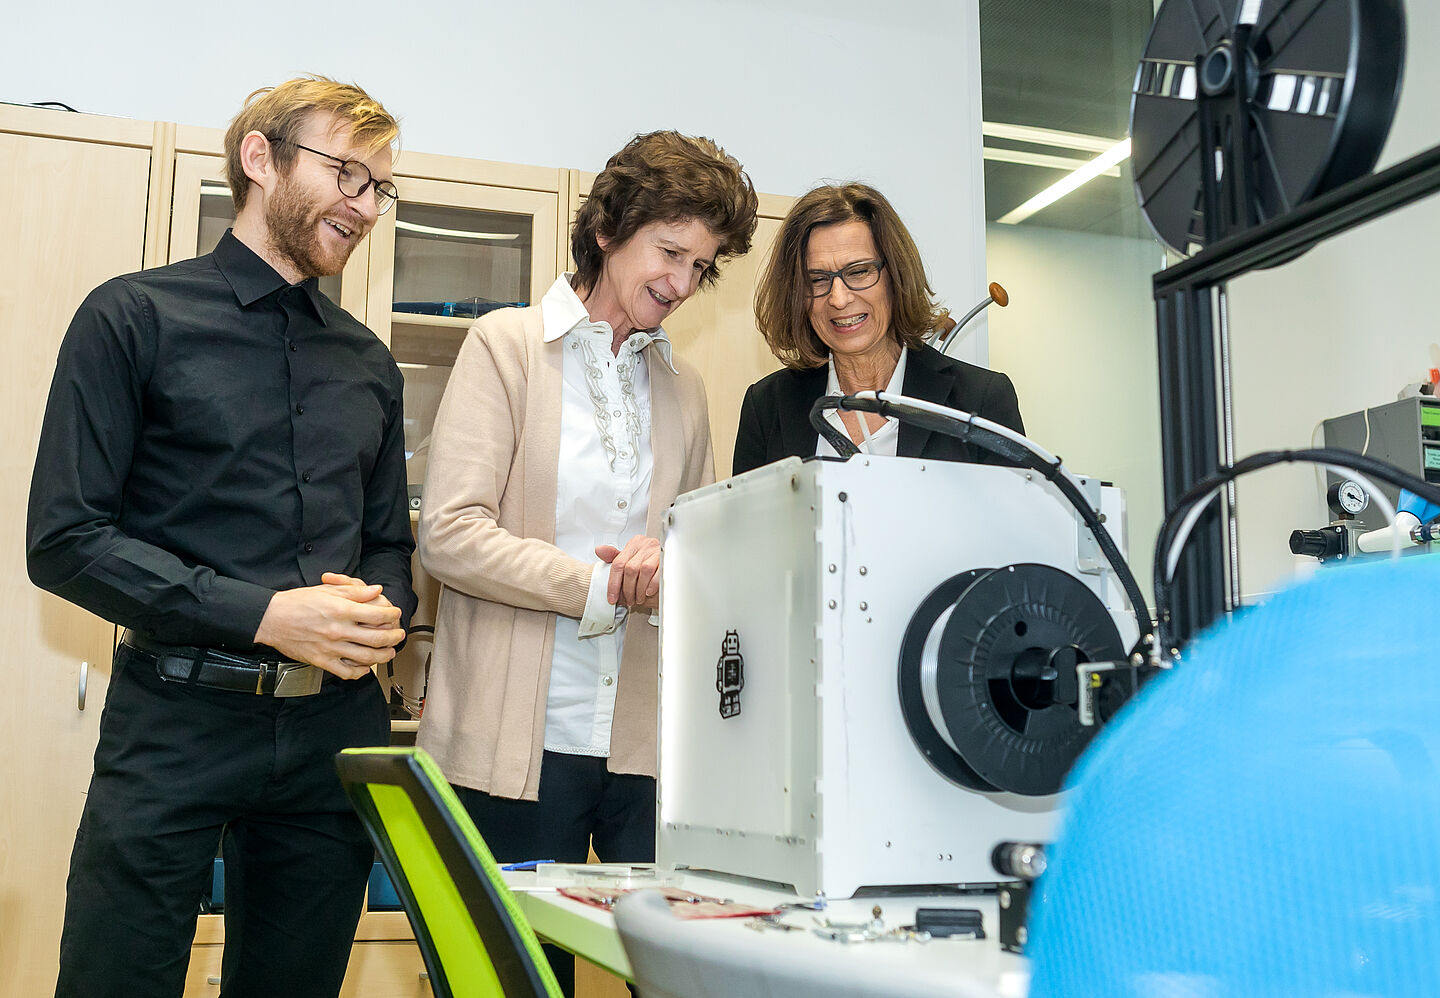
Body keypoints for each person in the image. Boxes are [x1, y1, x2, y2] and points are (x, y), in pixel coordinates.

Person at [26, 76, 416, 998]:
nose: (363, 207)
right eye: (346, 175)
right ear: (259, 159)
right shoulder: (131, 318)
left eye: (379, 189)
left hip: (333, 733)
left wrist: (375, 607)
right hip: (176, 720)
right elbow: (67, 537)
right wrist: (267, 615)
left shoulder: (370, 362)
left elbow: (386, 541)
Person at [416, 130, 758, 995]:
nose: (682, 285)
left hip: (644, 752)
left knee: (682, 978)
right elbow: (450, 533)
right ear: (608, 228)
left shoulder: (687, 390)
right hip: (514, 744)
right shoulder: (504, 347)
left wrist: (669, 563)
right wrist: (601, 584)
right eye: (670, 252)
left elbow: (702, 558)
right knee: (515, 983)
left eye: (701, 267)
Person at [733, 182, 1024, 475]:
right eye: (818, 279)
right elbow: (746, 521)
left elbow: (1015, 519)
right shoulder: (767, 406)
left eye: (858, 272)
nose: (839, 298)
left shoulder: (981, 400)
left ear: (895, 276)